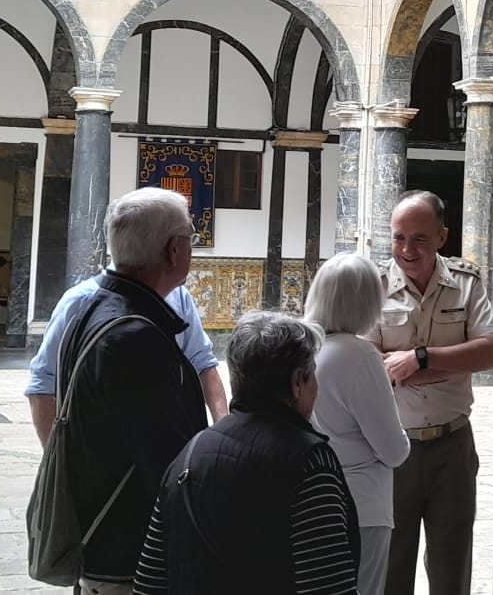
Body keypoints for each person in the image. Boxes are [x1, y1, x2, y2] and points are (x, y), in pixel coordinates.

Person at [46, 187, 215, 594]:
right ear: (173, 251)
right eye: (190, 238)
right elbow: (166, 461)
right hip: (131, 548)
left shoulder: (95, 305)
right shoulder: (135, 336)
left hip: (103, 535)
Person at [134, 311, 360, 595]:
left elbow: (149, 582)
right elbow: (329, 586)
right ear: (297, 382)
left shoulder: (190, 454)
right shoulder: (308, 463)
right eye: (313, 374)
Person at [367, 190, 493, 595]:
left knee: (451, 564)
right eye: (398, 237)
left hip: (452, 445)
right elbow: (372, 368)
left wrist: (419, 360)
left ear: (442, 237)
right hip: (393, 448)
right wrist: (451, 363)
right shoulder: (372, 287)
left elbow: (490, 352)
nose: (407, 249)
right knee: (392, 564)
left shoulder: (465, 284)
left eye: (419, 239)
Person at [304, 253, 410, 595]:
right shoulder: (360, 355)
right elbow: (394, 451)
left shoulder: (307, 349)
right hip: (362, 506)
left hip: (314, 503)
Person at [26, 273, 228, 446]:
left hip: (169, 453)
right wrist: (57, 466)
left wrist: (223, 434)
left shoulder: (179, 298)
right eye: (186, 241)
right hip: (99, 459)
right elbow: (42, 386)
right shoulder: (79, 301)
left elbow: (204, 365)